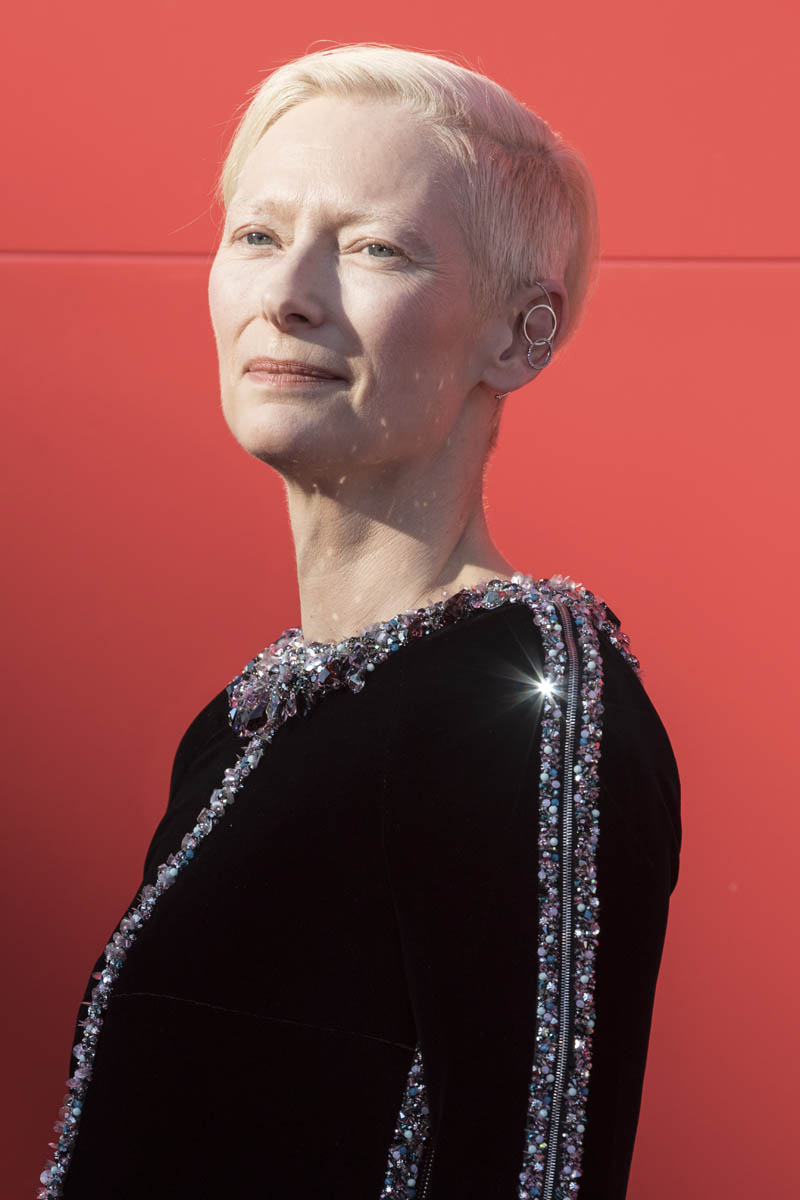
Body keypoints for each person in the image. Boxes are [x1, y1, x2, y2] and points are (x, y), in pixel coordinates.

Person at [39, 43, 682, 1200]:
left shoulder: (525, 698)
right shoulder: (237, 726)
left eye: (373, 247)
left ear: (519, 335)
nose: (287, 294)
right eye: (256, 234)